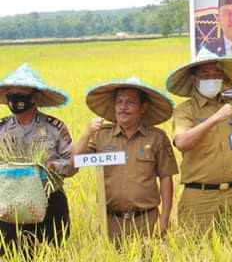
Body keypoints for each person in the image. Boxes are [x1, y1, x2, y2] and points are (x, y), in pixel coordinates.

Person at [72, 77, 178, 241]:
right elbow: (74, 162)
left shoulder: (156, 137)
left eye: (130, 102)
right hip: (110, 221)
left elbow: (166, 178)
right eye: (119, 102)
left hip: (146, 220)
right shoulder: (100, 135)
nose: (123, 107)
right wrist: (87, 133)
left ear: (143, 108)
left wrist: (164, 217)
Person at [168, 48, 232, 231]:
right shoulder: (185, 111)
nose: (212, 78)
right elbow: (183, 143)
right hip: (200, 198)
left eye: (216, 73)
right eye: (205, 74)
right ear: (195, 80)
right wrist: (215, 118)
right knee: (199, 253)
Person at [0, 64, 77, 257]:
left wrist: (53, 166)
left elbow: (73, 164)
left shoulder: (54, 128)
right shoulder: (1, 128)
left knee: (51, 253)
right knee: (10, 254)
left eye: (21, 93)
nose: (15, 99)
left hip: (49, 202)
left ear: (35, 98)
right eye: (11, 94)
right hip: (9, 205)